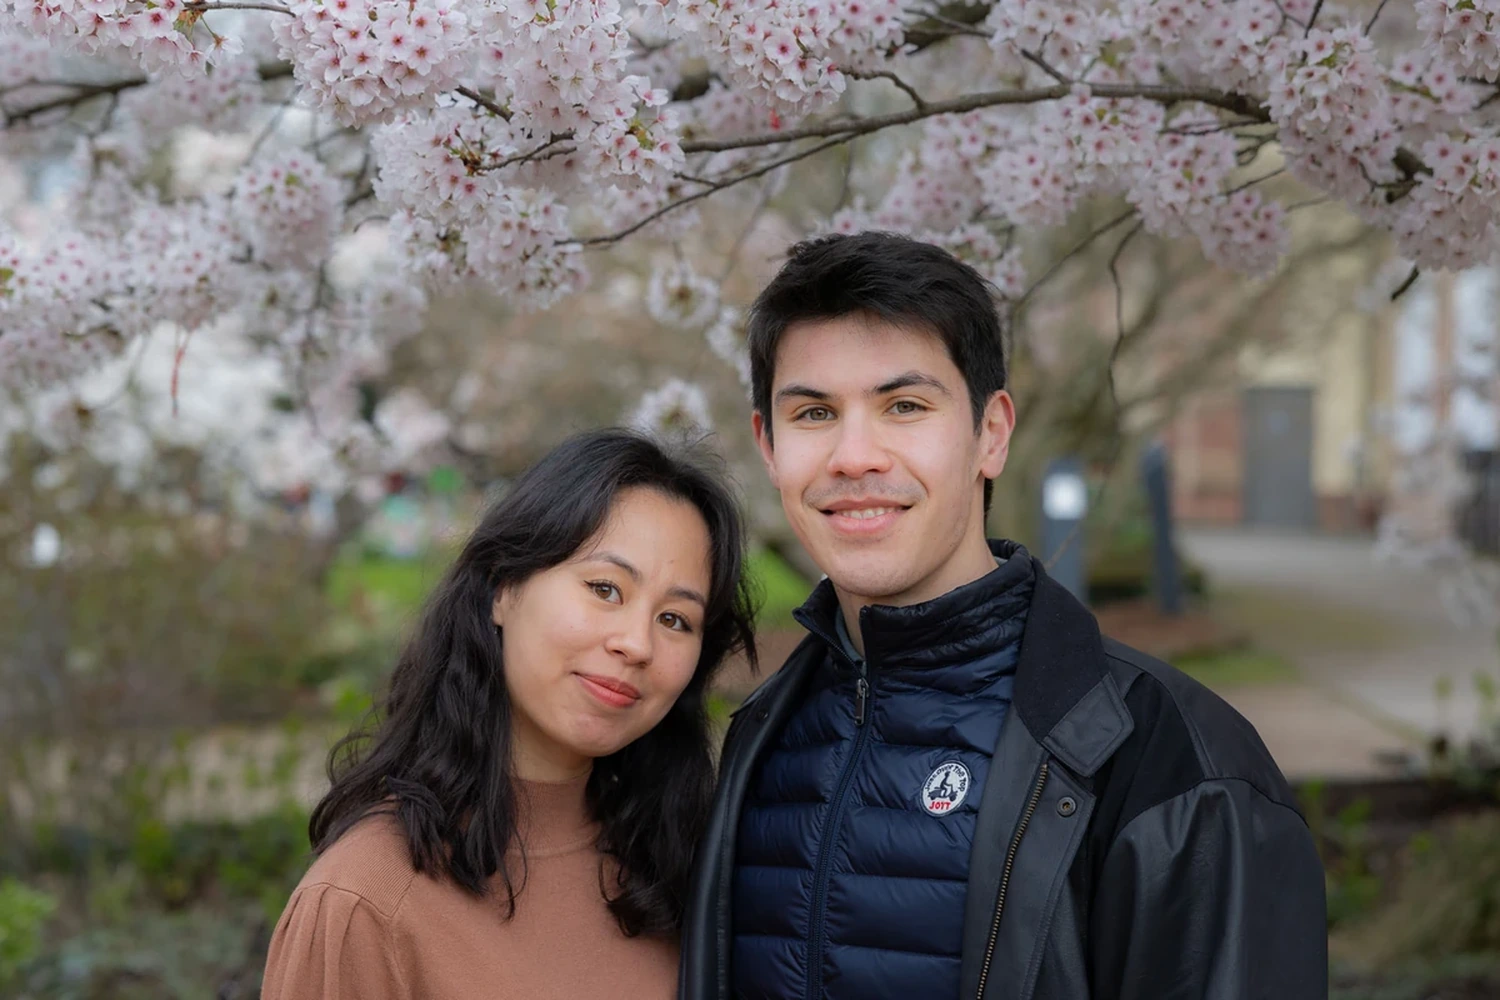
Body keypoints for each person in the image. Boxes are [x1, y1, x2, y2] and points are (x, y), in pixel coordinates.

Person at [679, 232, 1327, 1000]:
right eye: (815, 413)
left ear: (991, 434)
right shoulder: (761, 735)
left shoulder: (1178, 765)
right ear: (769, 445)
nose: (855, 456)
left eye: (905, 405)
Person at [262, 429, 755, 1000]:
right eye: (605, 588)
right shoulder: (366, 901)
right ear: (503, 588)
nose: (637, 643)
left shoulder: (679, 865)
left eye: (675, 620)